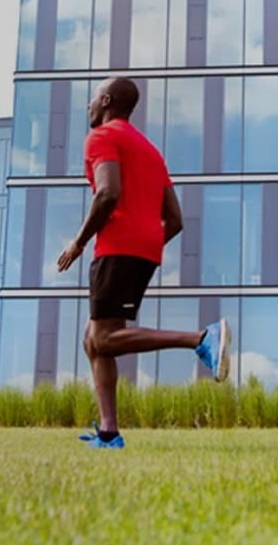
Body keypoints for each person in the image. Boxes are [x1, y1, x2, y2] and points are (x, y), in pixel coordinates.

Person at [56, 77, 230, 449]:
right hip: (144, 247)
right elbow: (176, 219)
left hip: (117, 247)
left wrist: (78, 242)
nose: (87, 107)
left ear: (105, 100)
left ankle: (201, 339)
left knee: (104, 338)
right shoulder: (150, 150)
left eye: (91, 99)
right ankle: (108, 432)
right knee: (93, 340)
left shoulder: (102, 137)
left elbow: (107, 193)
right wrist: (146, 243)